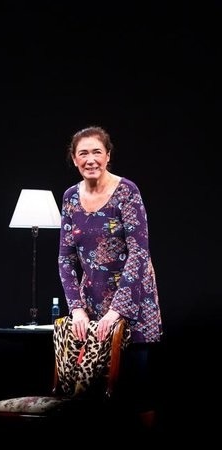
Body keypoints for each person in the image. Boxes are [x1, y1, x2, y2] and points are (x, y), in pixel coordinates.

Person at [58, 125, 163, 428]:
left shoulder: (126, 191)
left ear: (107, 156)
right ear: (74, 159)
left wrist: (117, 310)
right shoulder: (70, 198)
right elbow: (65, 258)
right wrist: (77, 308)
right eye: (83, 153)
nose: (90, 159)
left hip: (134, 302)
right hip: (92, 304)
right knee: (94, 390)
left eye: (96, 152)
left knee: (137, 387)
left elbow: (139, 253)